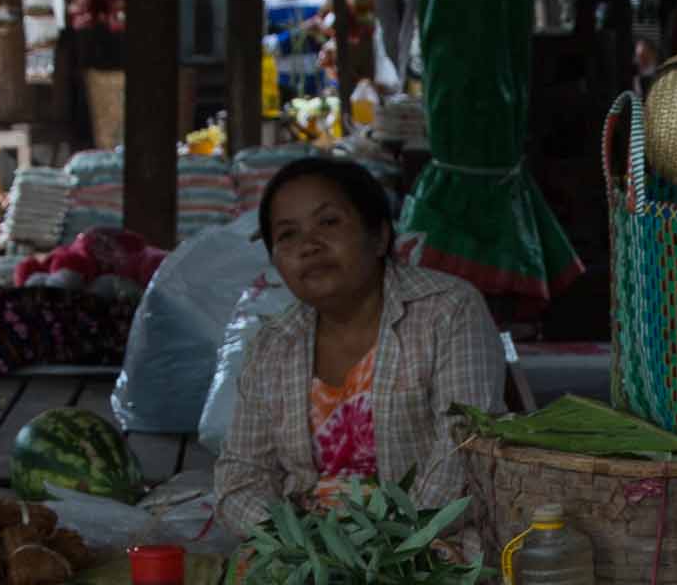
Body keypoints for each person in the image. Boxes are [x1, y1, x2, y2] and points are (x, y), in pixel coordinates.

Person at [210, 156, 503, 530]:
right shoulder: (273, 344)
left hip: (427, 547)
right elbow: (239, 478)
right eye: (287, 235)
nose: (309, 245)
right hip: (306, 556)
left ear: (379, 235)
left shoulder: (447, 312)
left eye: (328, 222)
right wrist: (291, 544)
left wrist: (383, 553)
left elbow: (465, 454)